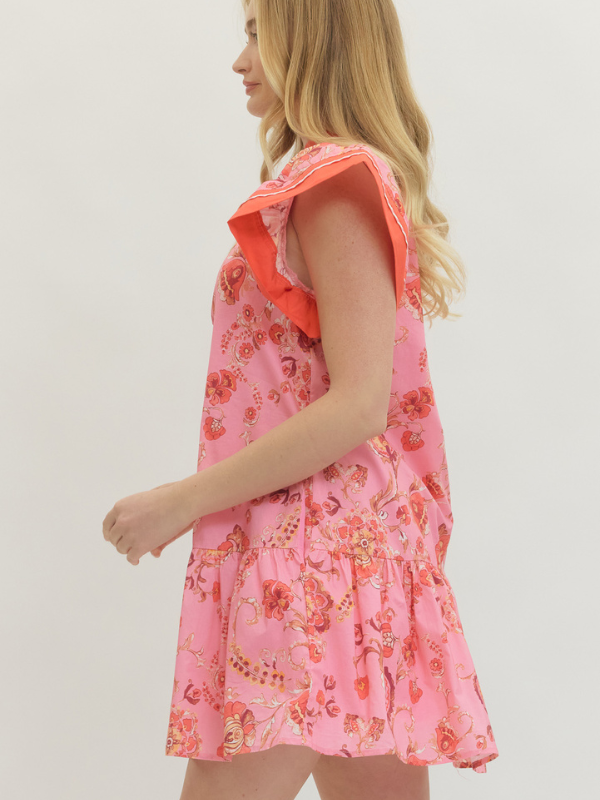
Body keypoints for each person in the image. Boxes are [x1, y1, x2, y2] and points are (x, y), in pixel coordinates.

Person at [102, 1, 499, 797]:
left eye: (256, 31)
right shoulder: (339, 177)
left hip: (311, 565)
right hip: (348, 556)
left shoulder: (335, 181)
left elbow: (359, 404)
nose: (240, 58)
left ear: (308, 36)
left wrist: (179, 502)